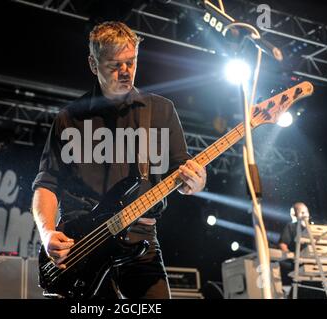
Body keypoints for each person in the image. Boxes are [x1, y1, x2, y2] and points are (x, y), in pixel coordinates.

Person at [31, 21, 206, 299]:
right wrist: (47, 233)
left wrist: (196, 181)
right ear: (93, 63)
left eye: (132, 62)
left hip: (140, 242)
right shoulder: (69, 118)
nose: (126, 72)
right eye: (115, 65)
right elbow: (46, 184)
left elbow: (184, 175)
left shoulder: (160, 111)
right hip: (80, 246)